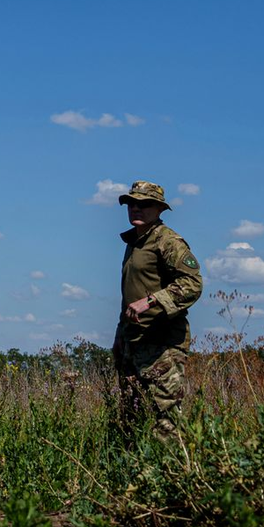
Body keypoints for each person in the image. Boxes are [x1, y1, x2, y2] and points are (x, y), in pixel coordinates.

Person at [112, 183, 202, 437]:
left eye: (144, 204)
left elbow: (192, 284)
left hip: (161, 344)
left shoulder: (167, 240)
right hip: (134, 342)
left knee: (167, 416)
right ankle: (135, 472)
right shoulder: (135, 242)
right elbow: (131, 294)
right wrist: (120, 335)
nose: (136, 208)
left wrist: (152, 301)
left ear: (160, 209)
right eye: (131, 203)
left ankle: (174, 472)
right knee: (132, 416)